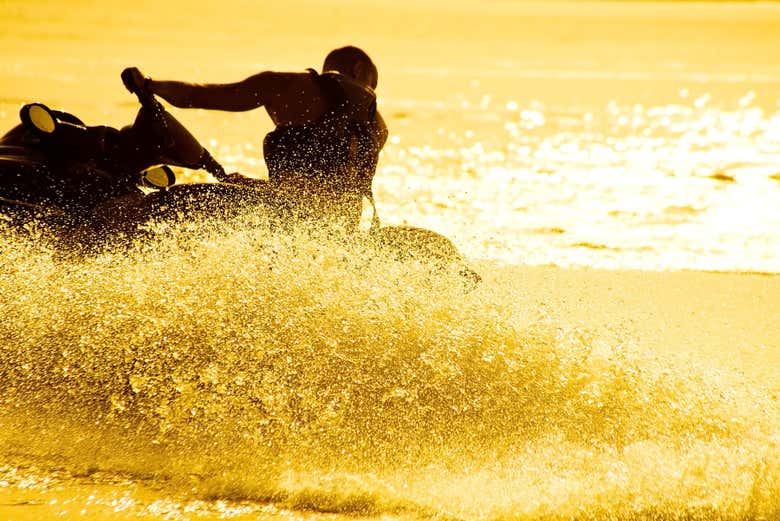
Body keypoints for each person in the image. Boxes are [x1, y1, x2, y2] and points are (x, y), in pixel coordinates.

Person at [124, 46, 388, 231]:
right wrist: (252, 186)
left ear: (356, 69)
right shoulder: (378, 128)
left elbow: (201, 95)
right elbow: (323, 188)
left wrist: (149, 85)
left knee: (172, 201)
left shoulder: (290, 87)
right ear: (359, 71)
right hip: (340, 229)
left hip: (288, 217)